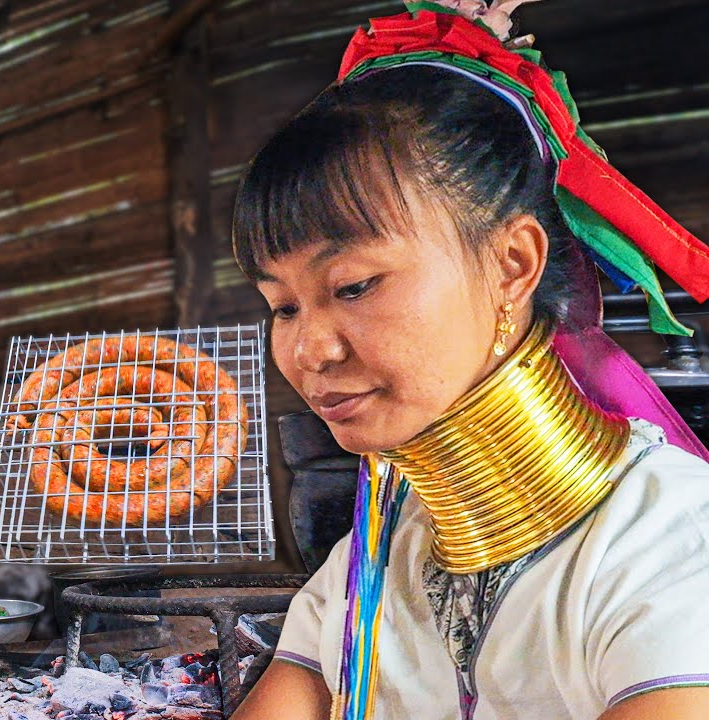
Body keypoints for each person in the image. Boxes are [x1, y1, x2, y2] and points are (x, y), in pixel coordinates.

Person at [228, 2, 709, 719]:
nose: (309, 351)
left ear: (512, 264)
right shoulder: (373, 563)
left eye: (354, 286)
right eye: (283, 306)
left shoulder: (674, 546)